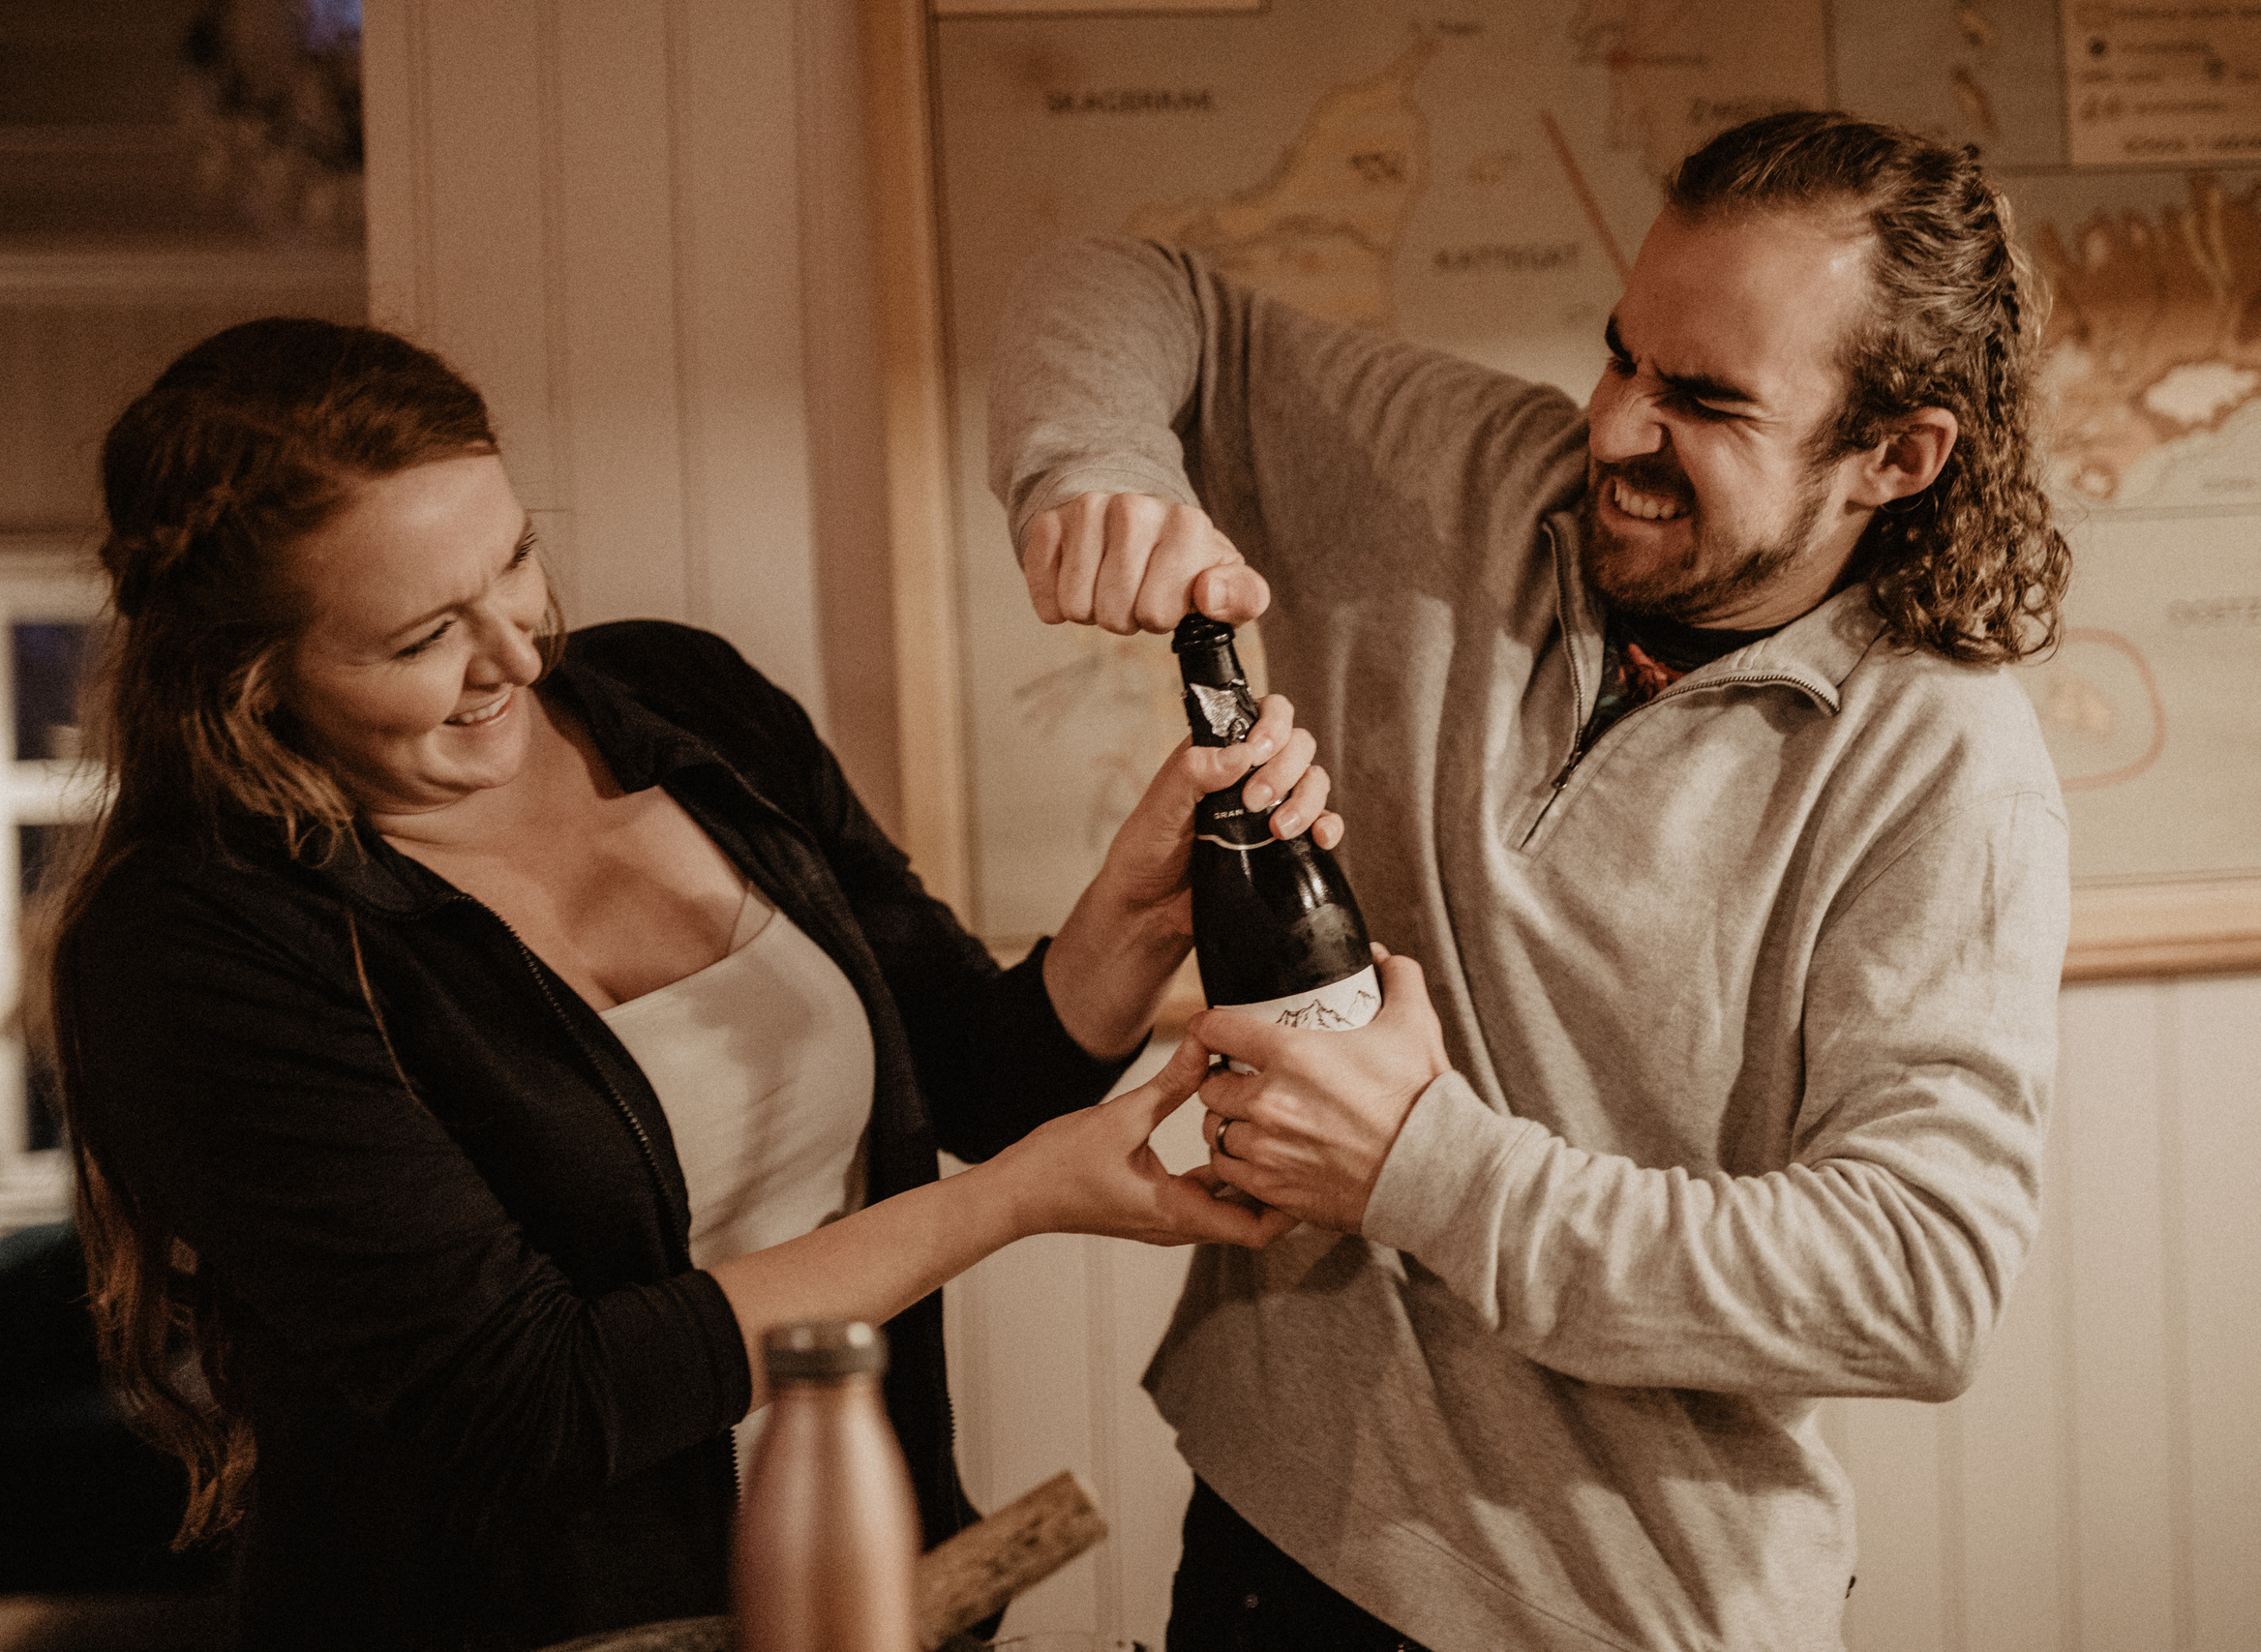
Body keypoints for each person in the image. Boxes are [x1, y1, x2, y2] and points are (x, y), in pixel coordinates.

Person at [41, 316, 1329, 1650]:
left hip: (865, 1591)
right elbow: (536, 1398)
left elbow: (981, 1074)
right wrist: (1013, 1205)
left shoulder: (678, 697)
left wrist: (1143, 901)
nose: (520, 653)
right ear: (251, 683)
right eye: (425, 636)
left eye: (518, 560)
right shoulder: (190, 944)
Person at [987, 111, 2076, 1650]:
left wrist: (1422, 1165)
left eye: (1703, 401)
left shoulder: (1948, 770)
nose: (1617, 426)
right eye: (1622, 353)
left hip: (1614, 1610)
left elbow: (1917, 1281)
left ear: (1894, 456)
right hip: (1272, 1522)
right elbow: (1122, 288)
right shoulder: (1482, 471)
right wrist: (1092, 468)